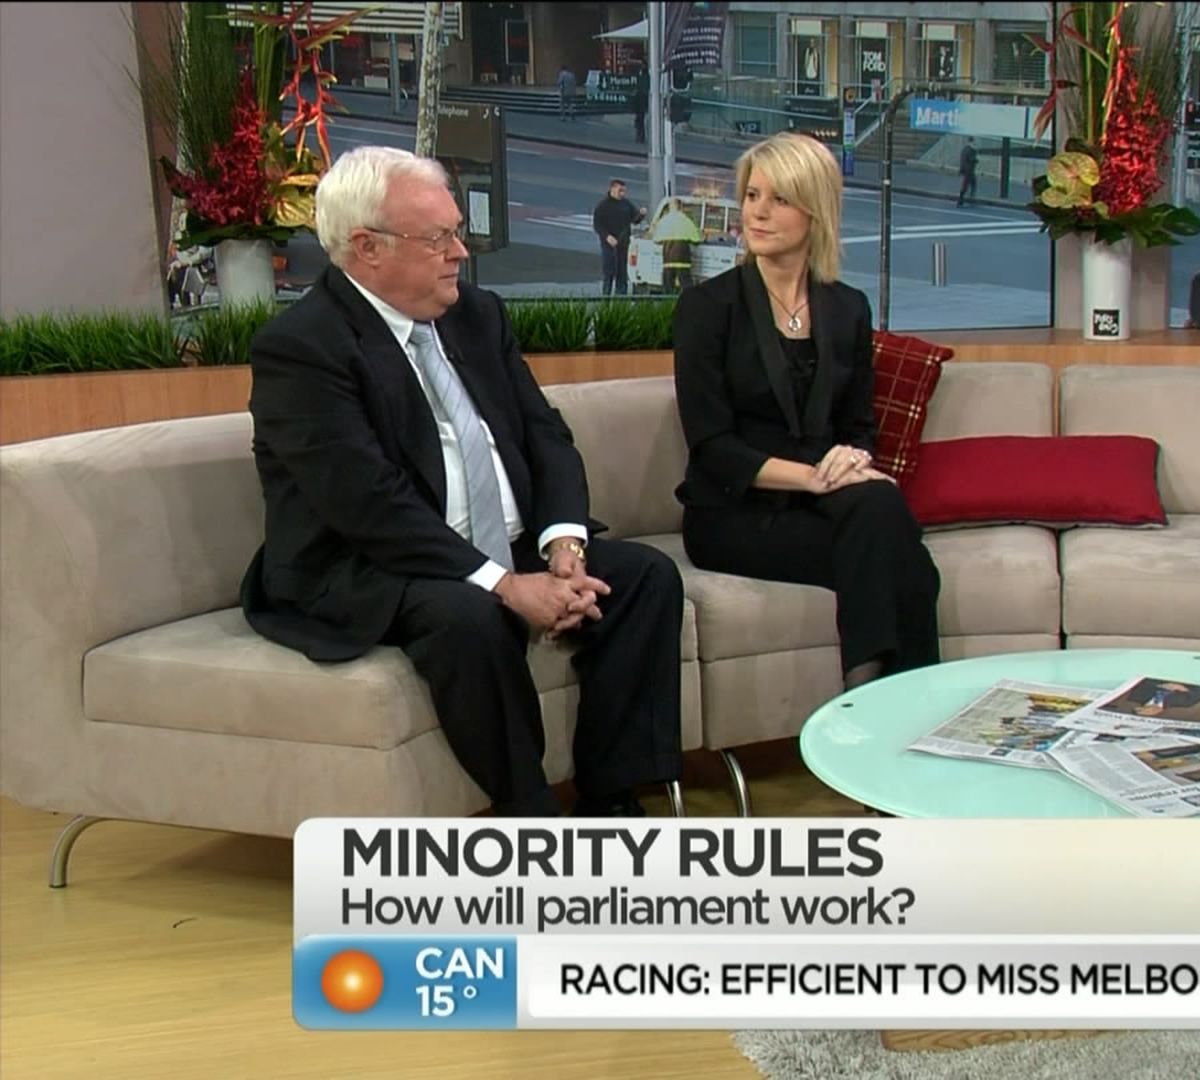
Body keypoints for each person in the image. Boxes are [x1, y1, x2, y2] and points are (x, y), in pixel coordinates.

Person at [240, 146, 685, 817]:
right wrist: (506, 585)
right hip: (372, 563)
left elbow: (545, 435)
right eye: (438, 238)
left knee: (645, 579)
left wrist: (564, 546)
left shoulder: (475, 315)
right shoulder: (304, 347)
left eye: (457, 232)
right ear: (367, 248)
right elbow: (368, 504)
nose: (460, 252)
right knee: (471, 617)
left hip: (501, 542)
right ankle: (529, 819)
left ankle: (610, 803)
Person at [672, 132, 940, 690]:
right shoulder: (707, 308)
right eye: (752, 196)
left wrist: (851, 459)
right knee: (905, 561)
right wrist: (816, 478)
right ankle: (893, 709)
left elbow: (859, 427)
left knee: (880, 517)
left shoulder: (847, 308)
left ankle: (867, 703)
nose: (757, 212)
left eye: (779, 199)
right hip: (734, 515)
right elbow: (713, 447)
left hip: (820, 508)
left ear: (814, 211)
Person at [593, 179, 644, 296]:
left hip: (623, 243)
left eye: (624, 191)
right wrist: (607, 237)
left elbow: (634, 219)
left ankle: (621, 299)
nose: (622, 193)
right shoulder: (603, 206)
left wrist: (641, 215)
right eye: (620, 190)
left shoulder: (626, 204)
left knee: (622, 273)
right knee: (609, 272)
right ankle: (606, 298)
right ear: (612, 189)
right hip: (608, 245)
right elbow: (597, 225)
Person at [957, 137, 979, 207]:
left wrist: (961, 169)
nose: (975, 143)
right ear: (971, 142)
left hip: (967, 170)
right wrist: (976, 160)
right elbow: (970, 159)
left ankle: (969, 199)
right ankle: (961, 200)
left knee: (972, 184)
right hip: (969, 170)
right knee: (966, 186)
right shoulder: (970, 150)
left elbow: (963, 160)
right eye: (974, 142)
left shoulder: (965, 149)